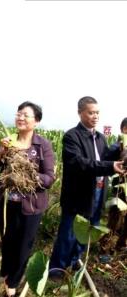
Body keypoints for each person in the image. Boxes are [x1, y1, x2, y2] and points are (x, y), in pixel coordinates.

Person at [49, 96, 125, 278]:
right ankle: (57, 270)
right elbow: (79, 163)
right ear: (80, 113)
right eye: (91, 112)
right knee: (68, 234)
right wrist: (109, 166)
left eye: (97, 113)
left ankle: (75, 261)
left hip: (98, 191)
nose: (95, 116)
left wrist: (119, 150)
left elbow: (104, 157)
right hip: (78, 194)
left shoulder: (100, 138)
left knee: (89, 229)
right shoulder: (71, 136)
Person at [0, 101, 55, 296]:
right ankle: (6, 273)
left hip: (31, 206)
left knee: (24, 245)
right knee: (7, 240)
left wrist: (26, 172)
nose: (20, 117)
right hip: (8, 203)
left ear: (36, 121)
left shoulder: (43, 146)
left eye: (26, 115)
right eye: (18, 114)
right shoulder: (8, 142)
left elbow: (49, 178)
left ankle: (13, 283)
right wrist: (1, 152)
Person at [105, 117, 127, 250]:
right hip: (119, 187)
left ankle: (121, 244)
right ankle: (105, 247)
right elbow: (107, 160)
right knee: (115, 217)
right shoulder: (116, 146)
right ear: (124, 129)